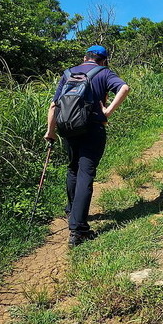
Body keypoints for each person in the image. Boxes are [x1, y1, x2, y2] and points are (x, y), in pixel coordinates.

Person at [44, 45, 130, 246]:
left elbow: (54, 105)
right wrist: (107, 112)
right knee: (86, 173)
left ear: (85, 57)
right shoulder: (104, 73)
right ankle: (78, 230)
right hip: (92, 129)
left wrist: (51, 131)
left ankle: (72, 211)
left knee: (73, 169)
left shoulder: (68, 73)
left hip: (68, 128)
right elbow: (124, 88)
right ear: (104, 60)